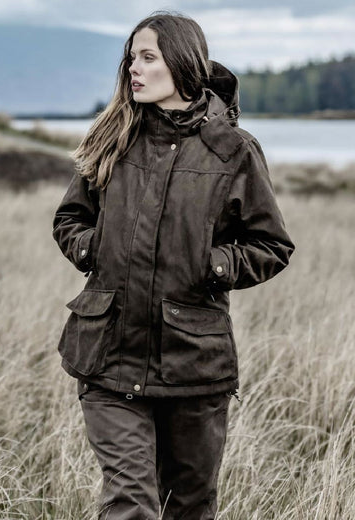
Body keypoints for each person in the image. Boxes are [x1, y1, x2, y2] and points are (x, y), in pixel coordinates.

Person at [52, 10, 295, 520]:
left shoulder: (234, 151)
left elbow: (271, 244)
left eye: (147, 57)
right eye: (131, 58)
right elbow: (71, 217)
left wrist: (211, 265)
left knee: (189, 507)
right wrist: (94, 249)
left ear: (181, 64)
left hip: (194, 364)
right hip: (108, 356)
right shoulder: (113, 136)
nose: (132, 69)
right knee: (131, 504)